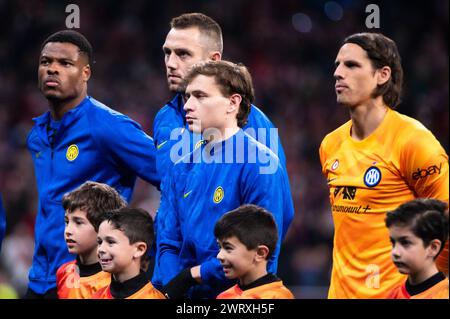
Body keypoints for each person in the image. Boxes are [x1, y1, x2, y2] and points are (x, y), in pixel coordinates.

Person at [152, 11, 288, 291]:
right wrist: (171, 283)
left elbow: (273, 221)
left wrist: (245, 284)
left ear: (214, 60)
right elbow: (169, 216)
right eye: (167, 53)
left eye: (183, 54)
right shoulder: (164, 121)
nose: (171, 63)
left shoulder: (256, 127)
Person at [27, 30, 160, 298]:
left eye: (65, 64)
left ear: (85, 73)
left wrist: (154, 241)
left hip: (94, 283)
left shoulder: (108, 127)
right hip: (42, 279)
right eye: (46, 62)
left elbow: (174, 177)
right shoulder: (37, 135)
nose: (52, 69)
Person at [319, 32, 449, 299]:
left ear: (382, 75)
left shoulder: (413, 141)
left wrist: (427, 289)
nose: (338, 73)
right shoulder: (330, 145)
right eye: (337, 65)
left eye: (351, 65)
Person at [56, 181, 126, 299]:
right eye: (67, 222)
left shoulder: (117, 282)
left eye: (78, 222)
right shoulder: (63, 273)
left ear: (103, 227)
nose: (68, 230)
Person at [215, 204, 294, 299]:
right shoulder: (223, 296)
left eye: (228, 248)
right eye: (220, 247)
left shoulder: (278, 297)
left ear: (260, 253)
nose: (219, 256)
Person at [93, 208, 165, 299]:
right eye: (99, 242)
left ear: (139, 249)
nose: (101, 249)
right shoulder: (97, 295)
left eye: (111, 242)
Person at [386, 199, 449, 299]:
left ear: (433, 247)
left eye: (405, 242)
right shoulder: (393, 295)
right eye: (393, 243)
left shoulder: (444, 294)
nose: (395, 252)